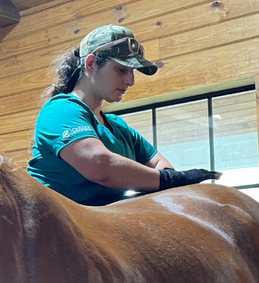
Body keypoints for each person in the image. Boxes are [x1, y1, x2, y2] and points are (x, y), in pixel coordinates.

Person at [27, 25, 221, 206]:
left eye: (133, 72)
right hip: (55, 234)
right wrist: (172, 179)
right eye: (121, 70)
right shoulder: (61, 110)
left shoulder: (118, 127)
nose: (131, 81)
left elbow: (161, 167)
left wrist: (167, 179)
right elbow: (101, 167)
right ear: (92, 63)